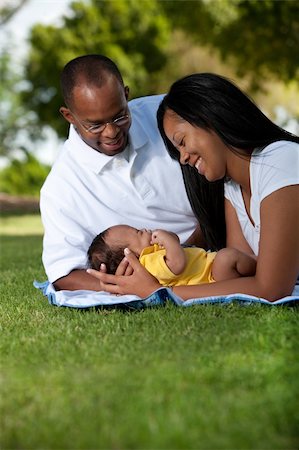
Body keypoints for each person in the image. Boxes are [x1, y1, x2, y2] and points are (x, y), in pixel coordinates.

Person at [87, 73, 299, 302]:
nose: (183, 158)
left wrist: (158, 293)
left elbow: (271, 288)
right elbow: (236, 276)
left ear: (210, 118)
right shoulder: (232, 189)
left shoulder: (280, 161)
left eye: (182, 142)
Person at [40, 55, 209, 291]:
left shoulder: (167, 115)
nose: (111, 132)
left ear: (126, 95)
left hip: (221, 241)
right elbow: (64, 275)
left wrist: (189, 250)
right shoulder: (61, 189)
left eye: (120, 116)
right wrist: (134, 285)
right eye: (95, 125)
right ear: (70, 116)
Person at [87, 225, 256, 287]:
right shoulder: (148, 264)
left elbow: (175, 243)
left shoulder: (154, 254)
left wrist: (168, 239)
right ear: (131, 256)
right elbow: (178, 263)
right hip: (211, 277)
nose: (145, 229)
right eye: (138, 233)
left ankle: (258, 267)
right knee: (228, 256)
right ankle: (261, 265)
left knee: (230, 257)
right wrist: (167, 240)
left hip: (211, 270)